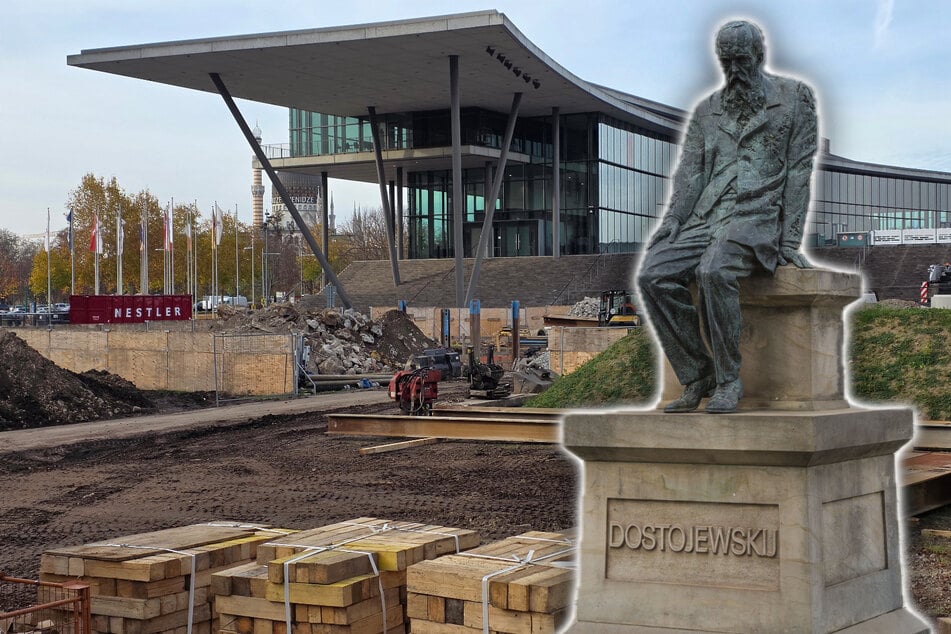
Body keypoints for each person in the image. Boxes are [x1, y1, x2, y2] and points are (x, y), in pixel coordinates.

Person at [637, 20, 818, 414]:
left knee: (713, 271)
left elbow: (800, 169)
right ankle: (696, 374)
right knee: (652, 275)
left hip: (756, 216)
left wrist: (789, 241)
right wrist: (673, 220)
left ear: (759, 56)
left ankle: (727, 379)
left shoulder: (794, 98)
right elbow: (690, 172)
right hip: (706, 215)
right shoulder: (707, 110)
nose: (734, 70)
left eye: (741, 60)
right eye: (726, 62)